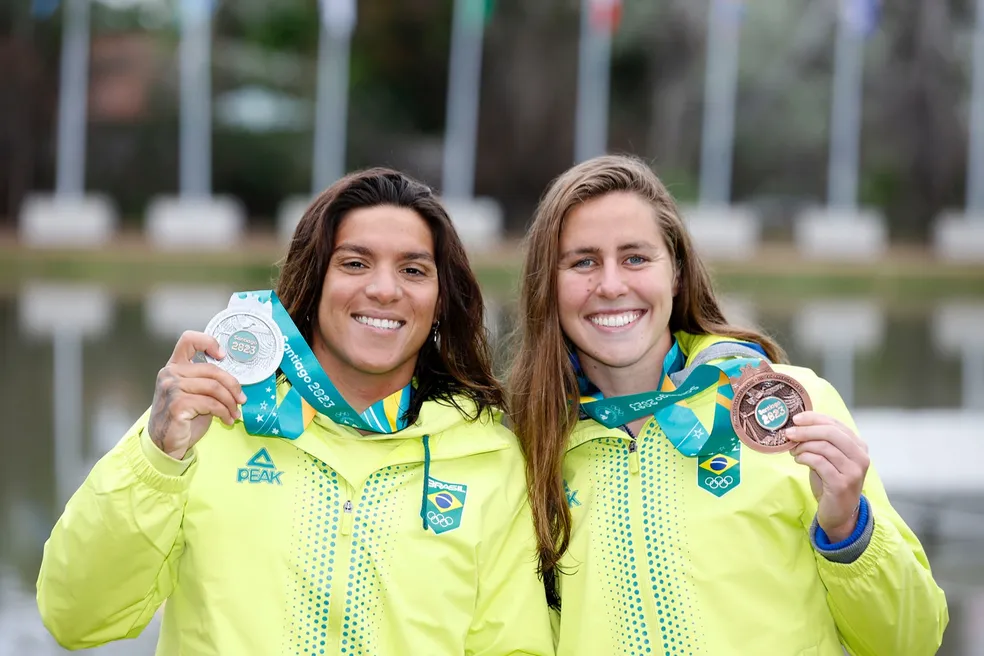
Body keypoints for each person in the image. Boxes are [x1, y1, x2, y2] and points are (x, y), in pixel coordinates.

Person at [37, 168, 554, 655]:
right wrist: (157, 460)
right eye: (354, 263)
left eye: (413, 270)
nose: (384, 289)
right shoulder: (211, 420)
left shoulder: (488, 457)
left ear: (441, 299)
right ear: (313, 283)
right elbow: (76, 616)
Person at [507, 154, 949, 655]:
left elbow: (911, 640)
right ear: (550, 283)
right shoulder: (529, 448)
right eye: (583, 261)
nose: (610, 285)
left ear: (675, 272)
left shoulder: (789, 409)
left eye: (635, 258)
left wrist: (848, 528)